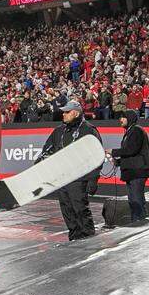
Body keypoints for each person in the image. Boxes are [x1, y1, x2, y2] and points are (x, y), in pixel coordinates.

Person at [37, 101, 101, 240]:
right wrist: (40, 162)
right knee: (66, 208)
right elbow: (48, 149)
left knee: (80, 208)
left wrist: (93, 179)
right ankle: (74, 236)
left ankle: (88, 237)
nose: (63, 114)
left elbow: (97, 156)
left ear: (76, 113)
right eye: (63, 112)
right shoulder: (59, 130)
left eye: (67, 112)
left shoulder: (89, 130)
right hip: (62, 177)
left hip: (79, 178)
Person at [109, 110, 149, 222]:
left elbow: (131, 150)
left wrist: (113, 151)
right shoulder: (130, 131)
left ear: (130, 118)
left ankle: (139, 223)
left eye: (123, 117)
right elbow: (130, 153)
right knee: (134, 201)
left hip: (137, 171)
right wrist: (118, 162)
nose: (120, 119)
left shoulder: (136, 130)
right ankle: (137, 222)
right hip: (132, 171)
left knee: (136, 200)